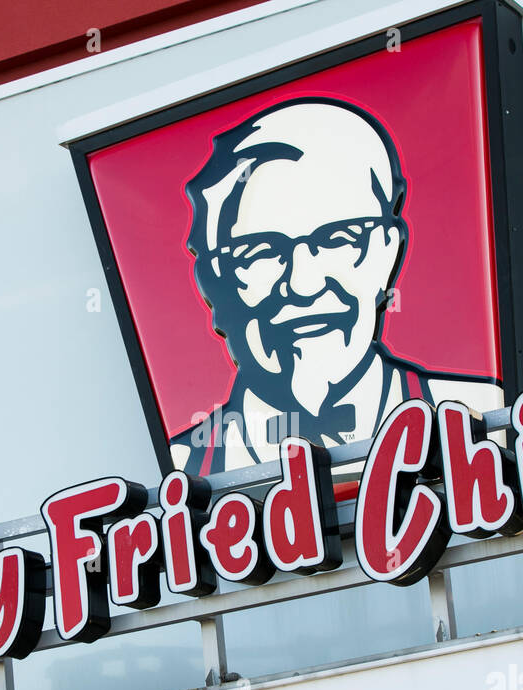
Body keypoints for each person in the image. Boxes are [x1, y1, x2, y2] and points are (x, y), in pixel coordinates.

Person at [171, 96, 503, 475]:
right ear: (212, 279)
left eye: (338, 239)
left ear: (387, 252)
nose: (303, 283)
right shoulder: (178, 475)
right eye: (260, 252)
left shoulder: (488, 416)